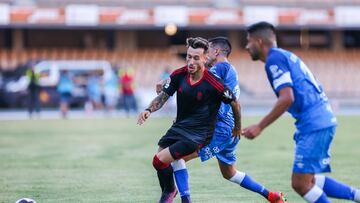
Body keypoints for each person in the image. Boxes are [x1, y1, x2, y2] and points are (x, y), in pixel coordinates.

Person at [157, 37, 287, 203]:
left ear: (216, 52)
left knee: (176, 157)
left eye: (207, 51)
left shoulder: (219, 68)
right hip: (230, 130)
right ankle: (271, 195)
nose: (203, 55)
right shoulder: (229, 69)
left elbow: (195, 73)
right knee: (230, 173)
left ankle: (185, 199)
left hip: (220, 130)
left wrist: (168, 81)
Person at [243, 21, 360, 203]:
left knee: (301, 184)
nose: (246, 46)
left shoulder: (274, 59)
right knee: (308, 180)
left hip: (314, 123)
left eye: (248, 41)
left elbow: (287, 97)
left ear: (259, 42)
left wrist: (260, 126)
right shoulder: (285, 56)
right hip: (320, 120)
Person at [137, 37, 241, 203]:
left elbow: (235, 103)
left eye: (196, 57)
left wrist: (237, 127)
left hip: (198, 134)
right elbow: (163, 97)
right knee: (161, 159)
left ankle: (170, 193)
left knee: (160, 160)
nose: (191, 61)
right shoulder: (179, 74)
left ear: (205, 59)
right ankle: (173, 192)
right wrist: (149, 110)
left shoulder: (214, 83)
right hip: (179, 127)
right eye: (188, 56)